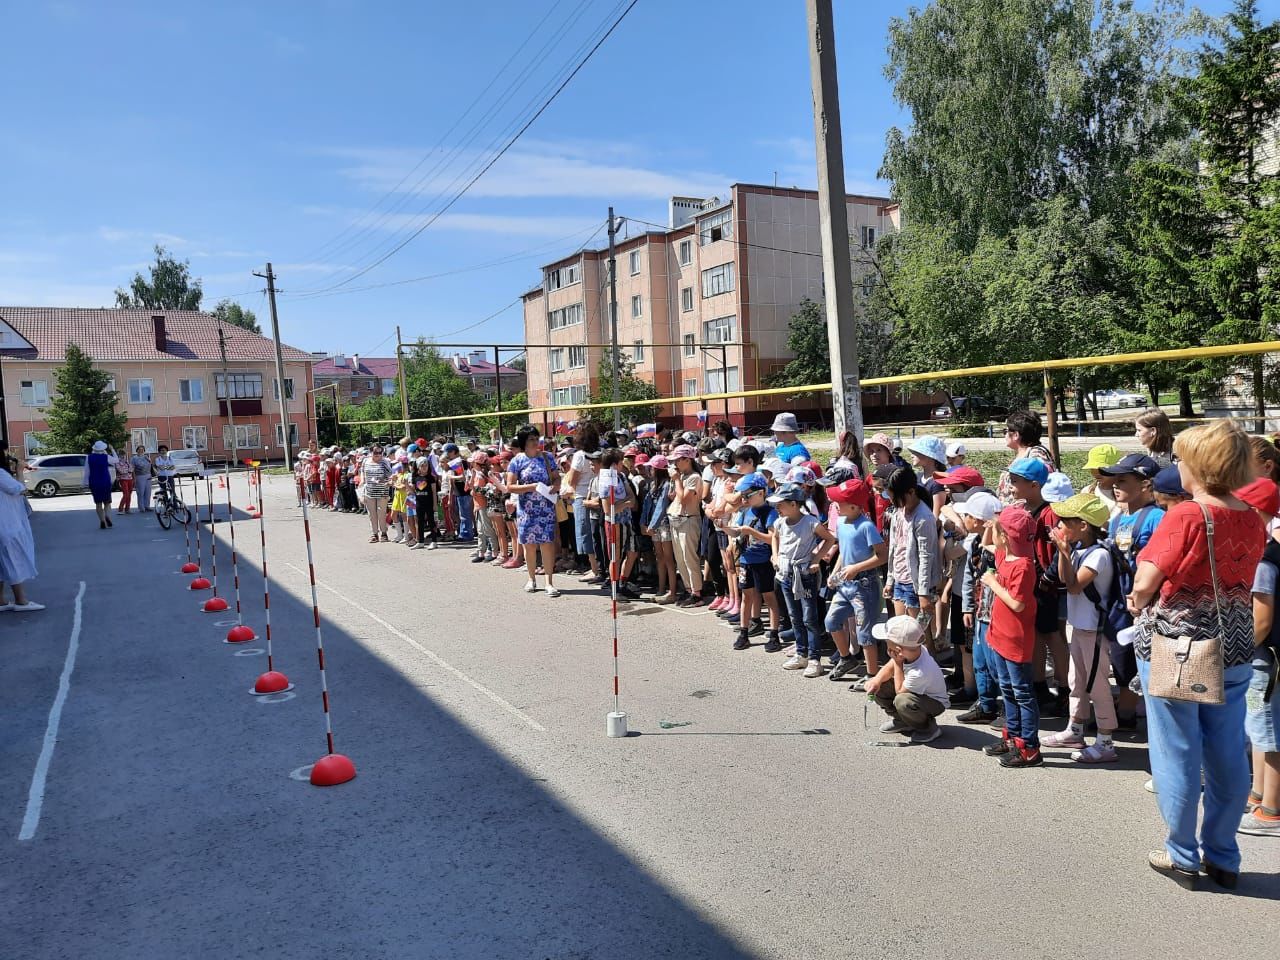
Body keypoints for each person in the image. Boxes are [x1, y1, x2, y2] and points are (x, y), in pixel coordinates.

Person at [1128, 420, 1262, 889]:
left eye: (1183, 459)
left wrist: (1137, 600)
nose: (1178, 466)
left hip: (1180, 644)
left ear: (1200, 466)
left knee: (1176, 749)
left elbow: (1146, 582)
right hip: (1236, 644)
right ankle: (1224, 853)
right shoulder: (1251, 515)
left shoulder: (1186, 514)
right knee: (1227, 749)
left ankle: (1181, 852)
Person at [1044, 493, 1120, 763]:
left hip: (1094, 629)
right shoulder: (1077, 549)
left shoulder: (1098, 554)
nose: (1060, 525)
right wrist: (1064, 553)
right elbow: (1065, 581)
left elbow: (1075, 586)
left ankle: (1106, 741)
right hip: (1078, 626)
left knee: (1097, 684)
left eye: (1066, 521)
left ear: (1084, 525)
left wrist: (1064, 552)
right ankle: (1075, 729)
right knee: (1077, 681)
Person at [982, 504, 1042, 768]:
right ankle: (1013, 738)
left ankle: (1029, 747)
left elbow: (1018, 603)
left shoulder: (1024, 566)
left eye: (998, 529)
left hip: (1016, 640)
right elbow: (989, 545)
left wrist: (993, 583)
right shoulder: (1005, 555)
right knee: (1007, 689)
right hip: (1000, 636)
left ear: (1005, 536)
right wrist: (990, 528)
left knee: (1022, 693)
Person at [1238, 477, 1280, 838]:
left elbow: (1262, 619)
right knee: (1257, 725)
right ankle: (1256, 794)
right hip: (1261, 657)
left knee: (1269, 731)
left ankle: (1271, 810)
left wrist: (1240, 646)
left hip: (1265, 658)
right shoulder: (1261, 551)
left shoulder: (1265, 559)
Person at [770, 482, 838, 677]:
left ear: (793, 504)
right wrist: (775, 555)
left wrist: (816, 559)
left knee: (809, 618)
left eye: (781, 504)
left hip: (804, 575)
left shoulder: (810, 522)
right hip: (784, 574)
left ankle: (815, 659)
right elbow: (774, 537)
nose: (777, 508)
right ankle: (801, 654)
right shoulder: (780, 522)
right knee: (795, 617)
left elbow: (830, 539)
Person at [823, 478, 887, 682]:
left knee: (864, 634)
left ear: (853, 506)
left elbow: (882, 555)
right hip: (845, 584)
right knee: (831, 621)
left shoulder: (866, 527)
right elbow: (844, 551)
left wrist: (856, 568)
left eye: (839, 503)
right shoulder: (842, 522)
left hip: (864, 586)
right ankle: (846, 658)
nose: (835, 505)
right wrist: (836, 572)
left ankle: (871, 675)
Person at [954, 491, 1004, 725]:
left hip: (996, 615)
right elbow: (968, 577)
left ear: (982, 521)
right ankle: (985, 704)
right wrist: (967, 607)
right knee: (980, 661)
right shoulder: (974, 543)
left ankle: (1005, 707)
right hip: (978, 613)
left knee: (997, 665)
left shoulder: (1000, 549)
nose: (963, 518)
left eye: (967, 515)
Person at [864, 615, 950, 744]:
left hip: (934, 703)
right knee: (879, 685)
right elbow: (890, 666)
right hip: (916, 693)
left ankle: (927, 727)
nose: (885, 642)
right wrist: (876, 680)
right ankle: (903, 721)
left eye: (887, 640)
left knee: (903, 701)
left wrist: (898, 662)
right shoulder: (914, 650)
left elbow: (900, 691)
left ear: (898, 650)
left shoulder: (921, 671)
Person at [505, 426, 561, 596]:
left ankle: (549, 582)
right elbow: (510, 486)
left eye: (537, 438)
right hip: (526, 510)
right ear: (523, 442)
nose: (535, 442)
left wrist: (556, 485)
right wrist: (532, 487)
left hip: (546, 508)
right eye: (531, 439)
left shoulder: (547, 457)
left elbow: (557, 477)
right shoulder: (517, 461)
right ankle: (531, 578)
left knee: (547, 544)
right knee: (529, 545)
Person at [727, 472, 781, 651]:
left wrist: (752, 532)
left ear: (761, 493)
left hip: (763, 561)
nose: (744, 498)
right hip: (745, 559)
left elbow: (772, 537)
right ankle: (744, 632)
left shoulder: (770, 512)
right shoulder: (745, 512)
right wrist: (725, 527)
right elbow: (737, 532)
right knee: (746, 596)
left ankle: (774, 634)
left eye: (748, 495)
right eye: (743, 495)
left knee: (768, 596)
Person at [884, 467, 940, 626]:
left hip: (915, 584)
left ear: (910, 492)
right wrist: (890, 579)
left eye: (896, 498)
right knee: (902, 633)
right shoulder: (898, 512)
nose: (893, 503)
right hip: (899, 580)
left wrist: (923, 593)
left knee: (917, 637)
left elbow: (925, 557)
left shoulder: (923, 517)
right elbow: (894, 548)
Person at [0, 456, 43, 612]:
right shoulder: (0, 473)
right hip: (7, 523)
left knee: (2, 564)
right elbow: (20, 489)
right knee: (13, 560)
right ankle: (21, 601)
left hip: (4, 523)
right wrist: (20, 471)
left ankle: (1, 601)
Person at [667, 444, 705, 606]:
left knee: (689, 557)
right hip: (676, 519)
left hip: (689, 519)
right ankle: (688, 589)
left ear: (687, 460)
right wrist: (674, 482)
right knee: (680, 558)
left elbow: (684, 499)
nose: (675, 463)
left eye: (678, 460)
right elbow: (674, 497)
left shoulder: (694, 477)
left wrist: (676, 480)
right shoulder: (682, 477)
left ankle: (697, 592)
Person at [563, 423, 602, 580]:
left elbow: (572, 479)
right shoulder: (600, 453)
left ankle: (595, 569)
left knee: (585, 534)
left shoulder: (579, 455)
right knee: (597, 533)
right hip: (597, 494)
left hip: (581, 496)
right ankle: (598, 567)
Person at [996, 410, 1055, 504]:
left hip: (1025, 515)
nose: (1005, 435)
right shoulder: (1024, 454)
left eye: (1005, 431)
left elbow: (1042, 486)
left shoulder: (1036, 454)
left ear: (1016, 435)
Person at [641, 455, 678, 603]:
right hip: (654, 526)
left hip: (664, 524)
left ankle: (672, 591)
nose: (648, 469)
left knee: (668, 559)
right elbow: (646, 505)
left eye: (651, 467)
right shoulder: (652, 485)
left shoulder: (667, 484)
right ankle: (661, 588)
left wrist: (651, 525)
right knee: (659, 557)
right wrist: (643, 522)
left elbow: (662, 506)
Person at [905, 435, 948, 514]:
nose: (911, 455)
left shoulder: (939, 481)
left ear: (928, 455)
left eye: (916, 452)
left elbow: (936, 516)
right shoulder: (918, 476)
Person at [83, 440, 118, 529]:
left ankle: (102, 520)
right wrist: (112, 450)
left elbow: (87, 471)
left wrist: (85, 482)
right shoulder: (106, 457)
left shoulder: (89, 457)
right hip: (105, 481)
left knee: (98, 503)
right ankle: (107, 516)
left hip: (94, 482)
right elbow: (116, 460)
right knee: (107, 502)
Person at [361, 446, 392, 542]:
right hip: (369, 491)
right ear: (371, 452)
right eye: (375, 452)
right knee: (371, 514)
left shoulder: (385, 462)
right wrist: (362, 480)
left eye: (380, 452)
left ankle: (384, 533)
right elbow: (362, 472)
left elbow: (390, 475)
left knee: (381, 513)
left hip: (382, 491)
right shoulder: (366, 461)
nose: (378, 454)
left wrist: (384, 480)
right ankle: (374, 533)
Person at [131, 445, 154, 513]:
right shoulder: (134, 458)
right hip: (139, 476)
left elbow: (150, 465)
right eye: (139, 449)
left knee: (148, 492)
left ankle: (147, 506)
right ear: (137, 450)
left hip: (148, 475)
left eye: (142, 450)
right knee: (141, 492)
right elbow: (132, 469)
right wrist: (134, 478)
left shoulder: (146, 457)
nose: (141, 451)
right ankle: (141, 507)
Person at [115, 449, 135, 514]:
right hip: (123, 479)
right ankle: (120, 509)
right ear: (118, 455)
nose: (123, 456)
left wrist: (127, 471)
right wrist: (127, 471)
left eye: (124, 454)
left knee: (129, 494)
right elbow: (120, 471)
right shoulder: (117, 462)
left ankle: (127, 509)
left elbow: (132, 469)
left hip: (130, 479)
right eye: (121, 454)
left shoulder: (127, 462)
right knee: (126, 494)